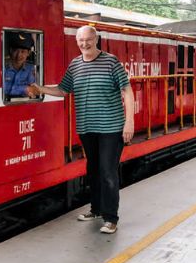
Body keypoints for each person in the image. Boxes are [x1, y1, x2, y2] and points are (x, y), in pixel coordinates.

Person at [27, 25, 134, 234]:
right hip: (87, 127)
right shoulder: (75, 65)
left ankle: (111, 218)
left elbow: (127, 92)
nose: (84, 44)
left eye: (88, 39)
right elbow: (62, 90)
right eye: (80, 40)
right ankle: (95, 209)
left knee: (108, 172)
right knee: (93, 170)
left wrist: (129, 122)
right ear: (77, 42)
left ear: (96, 40)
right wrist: (40, 88)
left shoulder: (111, 62)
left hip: (111, 128)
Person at [4, 32, 37, 98]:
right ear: (11, 51)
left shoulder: (31, 69)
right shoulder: (3, 67)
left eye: (23, 51)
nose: (19, 55)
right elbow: (2, 89)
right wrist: (25, 89)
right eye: (16, 50)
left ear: (28, 53)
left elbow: (34, 90)